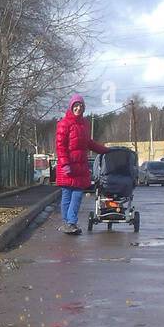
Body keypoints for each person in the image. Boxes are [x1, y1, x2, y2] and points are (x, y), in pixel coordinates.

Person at [55, 95, 108, 234]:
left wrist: (105, 150)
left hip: (80, 167)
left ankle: (70, 222)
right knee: (67, 195)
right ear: (71, 107)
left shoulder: (84, 124)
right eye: (76, 106)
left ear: (84, 108)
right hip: (68, 167)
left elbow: (88, 143)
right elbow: (60, 146)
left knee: (77, 196)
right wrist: (65, 164)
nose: (78, 108)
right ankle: (69, 223)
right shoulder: (64, 124)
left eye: (81, 106)